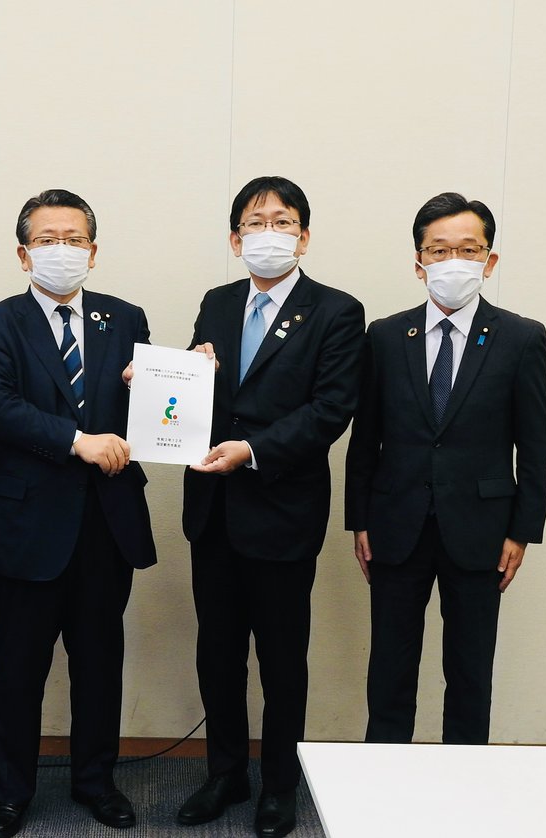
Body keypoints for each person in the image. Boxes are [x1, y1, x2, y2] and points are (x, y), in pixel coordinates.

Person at [178, 176, 365, 838]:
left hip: (282, 511)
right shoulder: (218, 302)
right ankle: (225, 773)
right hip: (213, 512)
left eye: (282, 222)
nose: (268, 234)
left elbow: (330, 410)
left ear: (304, 237)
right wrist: (163, 383)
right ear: (236, 240)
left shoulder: (336, 311)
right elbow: (198, 391)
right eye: (254, 224)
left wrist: (253, 450)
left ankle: (280, 784)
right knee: (218, 655)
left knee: (283, 661)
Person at [0, 189, 156, 838]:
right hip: (25, 527)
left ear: (93, 252)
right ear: (24, 254)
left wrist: (178, 383)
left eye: (74, 239)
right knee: (19, 668)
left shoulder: (125, 319)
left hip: (107, 524)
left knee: (100, 664)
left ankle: (96, 781)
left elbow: (148, 417)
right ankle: (10, 792)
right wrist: (77, 441)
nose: (62, 250)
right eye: (47, 240)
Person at [344, 192, 546, 745]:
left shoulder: (521, 338)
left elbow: (535, 447)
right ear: (419, 263)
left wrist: (522, 531)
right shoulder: (385, 336)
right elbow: (365, 439)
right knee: (390, 668)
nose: (452, 261)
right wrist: (359, 520)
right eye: (439, 250)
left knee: (469, 670)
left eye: (468, 249)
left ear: (490, 260)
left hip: (482, 529)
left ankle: (466, 782)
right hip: (395, 524)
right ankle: (384, 778)